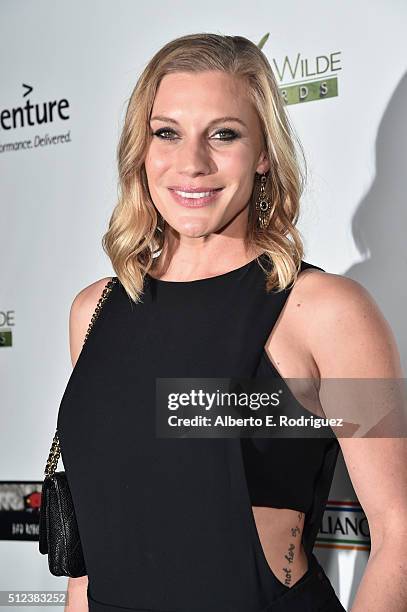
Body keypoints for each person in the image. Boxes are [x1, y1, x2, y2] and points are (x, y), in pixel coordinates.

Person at [57, 33, 407, 612]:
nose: (192, 163)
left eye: (224, 134)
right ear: (140, 150)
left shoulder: (327, 312)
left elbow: (398, 528)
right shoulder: (92, 311)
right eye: (166, 132)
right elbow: (87, 559)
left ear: (264, 152)